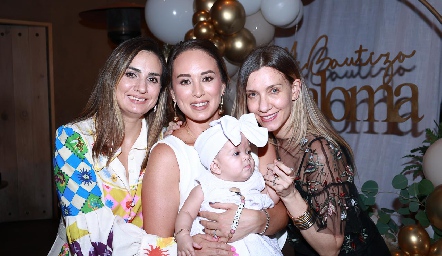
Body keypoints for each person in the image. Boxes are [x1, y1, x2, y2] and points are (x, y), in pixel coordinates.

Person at [233, 45, 391, 256]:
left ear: (295, 89)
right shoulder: (265, 143)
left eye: (274, 90)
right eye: (253, 94)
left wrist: (289, 195)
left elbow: (330, 248)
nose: (263, 106)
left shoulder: (319, 151)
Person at [142, 39, 288, 256]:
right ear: (172, 93)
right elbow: (155, 244)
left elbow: (282, 213)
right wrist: (192, 247)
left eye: (207, 78)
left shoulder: (252, 137)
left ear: (223, 84)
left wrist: (258, 220)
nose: (198, 92)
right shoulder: (168, 154)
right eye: (185, 82)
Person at [49, 37, 176, 255]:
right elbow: (90, 236)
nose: (141, 87)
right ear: (112, 77)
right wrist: (175, 249)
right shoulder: (73, 139)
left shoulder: (165, 142)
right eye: (131, 74)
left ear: (161, 90)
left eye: (153, 79)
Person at [175, 113, 283, 256]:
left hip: (253, 245)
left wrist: (274, 183)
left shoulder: (254, 180)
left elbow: (271, 199)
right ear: (215, 166)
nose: (246, 157)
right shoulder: (205, 186)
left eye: (248, 151)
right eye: (236, 154)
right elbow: (186, 212)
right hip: (215, 247)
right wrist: (183, 236)